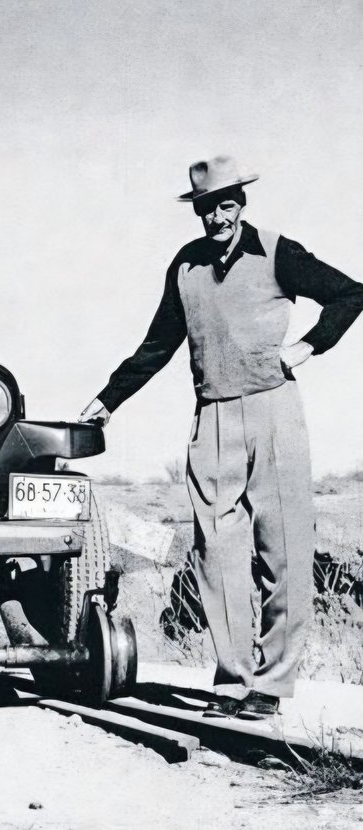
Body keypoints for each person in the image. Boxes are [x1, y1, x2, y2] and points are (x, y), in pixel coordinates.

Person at [80, 156, 363, 720]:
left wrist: (305, 348)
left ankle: (272, 684)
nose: (217, 216)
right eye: (207, 207)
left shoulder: (279, 250)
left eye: (226, 204)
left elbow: (350, 294)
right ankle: (233, 680)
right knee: (217, 554)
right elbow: (157, 346)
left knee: (282, 549)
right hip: (210, 419)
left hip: (273, 412)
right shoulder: (185, 266)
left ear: (242, 203)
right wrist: (106, 401)